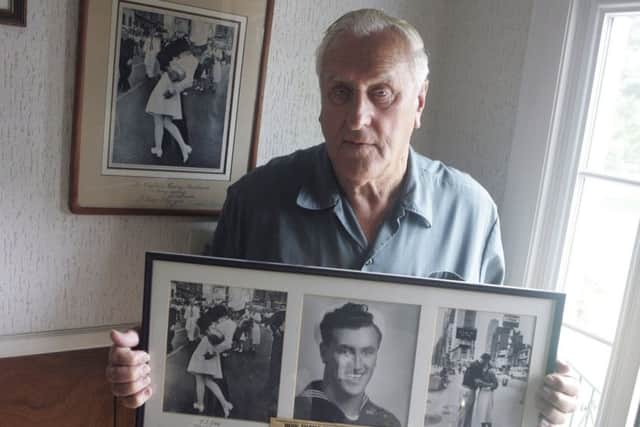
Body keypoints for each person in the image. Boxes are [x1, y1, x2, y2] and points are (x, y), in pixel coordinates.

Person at [105, 9, 578, 425]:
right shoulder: (255, 201)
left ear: (419, 102)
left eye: (382, 94)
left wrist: (544, 399)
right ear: (320, 101)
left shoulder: (472, 213)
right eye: (340, 92)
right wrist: (142, 366)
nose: (357, 117)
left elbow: (493, 356)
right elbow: (189, 329)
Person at [294, 303, 400, 427]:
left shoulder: (388, 423)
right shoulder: (296, 411)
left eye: (367, 352)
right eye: (346, 352)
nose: (357, 366)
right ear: (324, 353)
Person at [186, 306, 234, 417]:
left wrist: (211, 351)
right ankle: (224, 404)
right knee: (207, 381)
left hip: (204, 351)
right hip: (210, 351)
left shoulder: (213, 327)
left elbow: (200, 335)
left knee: (200, 379)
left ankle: (201, 404)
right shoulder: (220, 327)